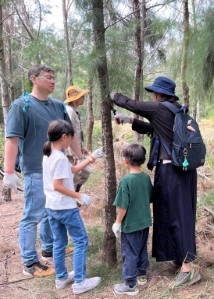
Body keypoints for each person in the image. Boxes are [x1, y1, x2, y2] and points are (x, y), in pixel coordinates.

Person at [110, 76, 201, 288]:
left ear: (159, 94)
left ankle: (188, 270)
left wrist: (113, 96)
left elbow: (132, 104)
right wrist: (129, 121)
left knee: (179, 217)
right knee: (172, 215)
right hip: (179, 170)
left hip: (172, 171)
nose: (152, 96)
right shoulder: (175, 111)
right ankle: (180, 258)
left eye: (153, 93)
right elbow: (153, 130)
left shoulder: (160, 109)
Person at [3, 65, 84, 277]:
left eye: (54, 78)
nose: (53, 81)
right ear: (33, 79)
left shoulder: (58, 106)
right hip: (35, 170)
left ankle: (49, 247)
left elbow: (71, 136)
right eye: (48, 77)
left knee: (51, 212)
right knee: (33, 215)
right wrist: (9, 172)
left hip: (57, 170)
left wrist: (82, 157)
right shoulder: (21, 106)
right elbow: (12, 139)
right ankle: (30, 262)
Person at [42, 119, 101, 294]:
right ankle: (80, 282)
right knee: (81, 240)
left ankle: (61, 278)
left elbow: (73, 171)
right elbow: (58, 185)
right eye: (71, 138)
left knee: (59, 242)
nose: (72, 141)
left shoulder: (49, 154)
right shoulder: (59, 158)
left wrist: (91, 158)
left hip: (52, 207)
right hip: (65, 207)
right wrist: (79, 196)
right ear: (64, 137)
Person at [112, 144, 152, 296]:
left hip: (130, 225)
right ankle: (141, 275)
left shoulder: (126, 181)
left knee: (129, 253)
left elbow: (123, 205)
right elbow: (149, 197)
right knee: (141, 249)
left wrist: (117, 222)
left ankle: (130, 284)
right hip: (145, 222)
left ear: (126, 161)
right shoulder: (146, 178)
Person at [64, 85, 94, 192]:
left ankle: (74, 194)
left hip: (76, 150)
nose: (83, 98)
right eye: (82, 96)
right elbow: (68, 133)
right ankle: (71, 198)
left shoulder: (74, 111)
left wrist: (82, 147)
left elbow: (76, 133)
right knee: (74, 176)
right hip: (71, 153)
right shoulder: (69, 111)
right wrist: (74, 154)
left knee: (85, 172)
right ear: (75, 98)